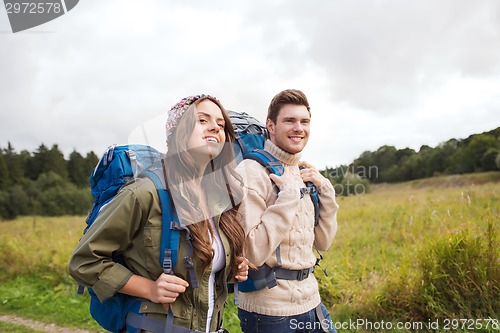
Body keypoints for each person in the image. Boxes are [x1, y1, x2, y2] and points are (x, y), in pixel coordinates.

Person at [69, 94, 249, 333]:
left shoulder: (218, 198)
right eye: (203, 120)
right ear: (178, 132)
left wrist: (228, 269)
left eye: (221, 124)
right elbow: (84, 261)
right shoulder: (145, 192)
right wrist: (148, 288)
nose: (215, 126)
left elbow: (197, 270)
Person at [236, 89, 339, 333]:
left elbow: (323, 243)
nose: (298, 128)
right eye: (289, 121)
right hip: (269, 313)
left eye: (304, 121)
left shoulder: (303, 173)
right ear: (270, 125)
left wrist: (326, 190)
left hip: (312, 301)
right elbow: (251, 252)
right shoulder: (250, 171)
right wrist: (288, 198)